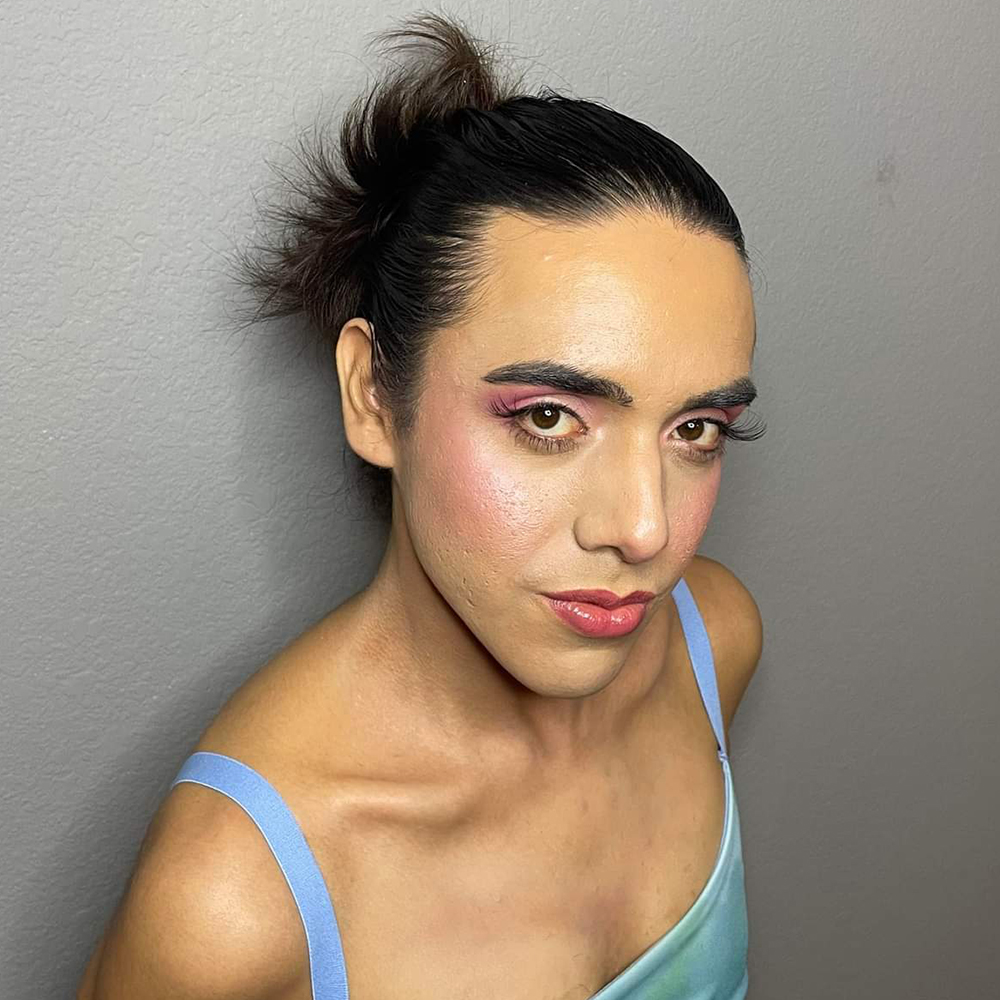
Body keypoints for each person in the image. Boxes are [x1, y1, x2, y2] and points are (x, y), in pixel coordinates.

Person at [77, 10, 766, 999]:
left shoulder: (715, 643)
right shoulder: (231, 902)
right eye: (548, 417)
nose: (644, 530)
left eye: (695, 429)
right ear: (372, 394)